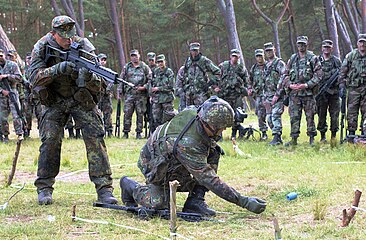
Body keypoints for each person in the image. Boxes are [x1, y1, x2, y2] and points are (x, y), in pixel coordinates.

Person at [120, 96, 266, 216]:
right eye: (220, 129)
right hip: (154, 164)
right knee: (160, 204)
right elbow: (209, 179)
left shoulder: (199, 114)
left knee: (214, 151)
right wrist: (244, 201)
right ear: (208, 124)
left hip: (173, 158)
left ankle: (195, 201)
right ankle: (129, 186)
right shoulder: (189, 143)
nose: (221, 133)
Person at [28, 15, 118, 205]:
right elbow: (33, 78)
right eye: (63, 37)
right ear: (53, 34)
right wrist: (57, 69)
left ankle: (104, 189)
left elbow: (101, 83)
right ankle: (44, 187)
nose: (68, 41)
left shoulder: (84, 45)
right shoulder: (42, 46)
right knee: (50, 140)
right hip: (54, 100)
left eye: (71, 36)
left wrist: (87, 77)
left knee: (96, 137)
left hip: (80, 98)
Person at [284, 36, 323, 146]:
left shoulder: (312, 58)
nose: (301, 46)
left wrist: (306, 85)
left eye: (303, 44)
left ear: (307, 45)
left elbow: (319, 75)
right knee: (294, 117)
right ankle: (294, 139)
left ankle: (311, 138)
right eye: (299, 44)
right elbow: (285, 74)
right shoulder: (292, 58)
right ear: (297, 45)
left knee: (310, 116)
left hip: (308, 94)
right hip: (295, 94)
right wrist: (290, 85)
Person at [117, 49, 152, 139]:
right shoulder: (127, 67)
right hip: (129, 94)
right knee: (127, 113)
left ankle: (139, 133)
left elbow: (150, 80)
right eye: (132, 56)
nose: (134, 57)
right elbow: (121, 79)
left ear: (139, 56)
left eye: (135, 55)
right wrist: (119, 91)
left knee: (140, 114)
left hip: (141, 95)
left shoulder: (144, 67)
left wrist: (144, 87)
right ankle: (126, 132)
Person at [216, 49, 248, 139]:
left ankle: (234, 134)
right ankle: (219, 135)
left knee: (236, 116)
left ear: (239, 57)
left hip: (236, 95)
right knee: (222, 115)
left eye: (237, 57)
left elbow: (246, 80)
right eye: (233, 56)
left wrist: (247, 90)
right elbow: (215, 76)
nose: (235, 58)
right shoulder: (223, 66)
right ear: (230, 56)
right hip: (225, 95)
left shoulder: (241, 68)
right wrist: (215, 87)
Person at [339, 33, 366, 139]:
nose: (363, 44)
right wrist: (341, 86)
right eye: (361, 42)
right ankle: (351, 134)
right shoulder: (351, 56)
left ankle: (364, 134)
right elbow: (342, 72)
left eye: (364, 42)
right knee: (352, 111)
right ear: (357, 43)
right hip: (353, 89)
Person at [316, 40, 341, 142]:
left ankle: (333, 136)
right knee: (321, 115)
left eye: (328, 47)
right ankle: (322, 136)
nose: (326, 49)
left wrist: (337, 84)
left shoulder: (336, 61)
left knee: (334, 115)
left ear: (332, 48)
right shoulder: (316, 60)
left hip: (334, 94)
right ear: (322, 48)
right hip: (321, 93)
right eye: (325, 47)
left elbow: (341, 75)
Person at [263, 42, 287, 145]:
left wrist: (277, 94)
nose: (269, 53)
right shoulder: (266, 65)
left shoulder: (279, 63)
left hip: (278, 95)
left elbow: (284, 78)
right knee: (269, 118)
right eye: (267, 51)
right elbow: (264, 81)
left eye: (270, 50)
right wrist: (264, 97)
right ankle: (277, 137)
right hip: (268, 95)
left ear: (274, 51)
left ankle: (276, 137)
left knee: (275, 115)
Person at [182, 42, 221, 106]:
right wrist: (185, 87)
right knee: (190, 114)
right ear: (190, 51)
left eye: (196, 50)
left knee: (202, 113)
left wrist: (209, 83)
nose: (194, 52)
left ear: (198, 50)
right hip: (189, 95)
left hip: (201, 94)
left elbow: (218, 72)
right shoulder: (188, 61)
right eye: (193, 50)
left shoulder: (204, 60)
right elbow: (185, 74)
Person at [0, 49, 24, 143]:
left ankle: (20, 134)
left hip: (12, 92)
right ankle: (5, 136)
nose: (0, 58)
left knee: (16, 115)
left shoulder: (12, 65)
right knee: (2, 117)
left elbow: (19, 78)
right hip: (1, 95)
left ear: (4, 55)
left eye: (1, 56)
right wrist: (2, 91)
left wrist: (7, 76)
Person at [148, 54, 175, 133]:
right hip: (156, 99)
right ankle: (158, 134)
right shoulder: (155, 71)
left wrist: (159, 88)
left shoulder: (169, 72)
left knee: (169, 117)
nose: (160, 63)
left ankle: (170, 133)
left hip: (167, 99)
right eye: (158, 62)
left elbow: (171, 86)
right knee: (156, 118)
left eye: (161, 62)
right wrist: (151, 96)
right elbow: (151, 84)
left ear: (165, 62)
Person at [248, 49, 268, 140]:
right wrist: (250, 89)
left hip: (269, 94)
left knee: (272, 114)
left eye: (261, 56)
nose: (259, 58)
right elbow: (250, 80)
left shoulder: (268, 66)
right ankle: (264, 132)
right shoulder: (254, 68)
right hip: (259, 94)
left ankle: (277, 133)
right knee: (260, 114)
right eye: (257, 56)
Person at [97, 53, 114, 137]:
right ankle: (99, 131)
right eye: (101, 60)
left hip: (106, 97)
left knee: (108, 114)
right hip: (97, 96)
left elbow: (111, 82)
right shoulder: (95, 70)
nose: (103, 62)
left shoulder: (108, 71)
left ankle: (109, 131)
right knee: (97, 114)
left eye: (104, 60)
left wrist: (107, 90)